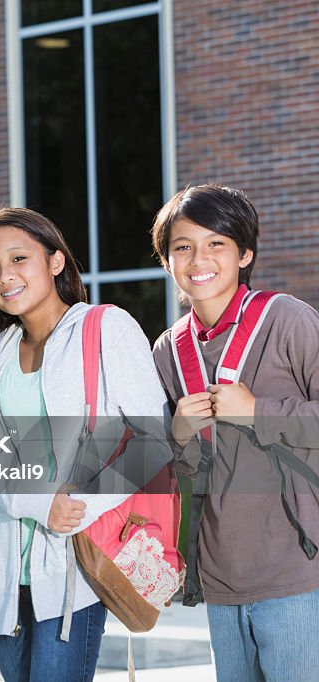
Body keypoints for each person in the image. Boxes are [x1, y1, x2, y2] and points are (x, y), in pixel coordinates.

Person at [0, 207, 169, 682]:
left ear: (55, 262)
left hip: (76, 558)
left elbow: (153, 438)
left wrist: (80, 504)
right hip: (6, 567)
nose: (4, 276)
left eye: (19, 259)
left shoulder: (104, 328)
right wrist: (38, 502)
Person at [151, 184, 319, 682]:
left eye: (216, 243)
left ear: (244, 253)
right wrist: (176, 435)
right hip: (220, 576)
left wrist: (259, 411)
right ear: (167, 261)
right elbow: (172, 472)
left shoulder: (287, 320)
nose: (198, 258)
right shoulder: (167, 350)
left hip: (296, 568)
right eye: (182, 246)